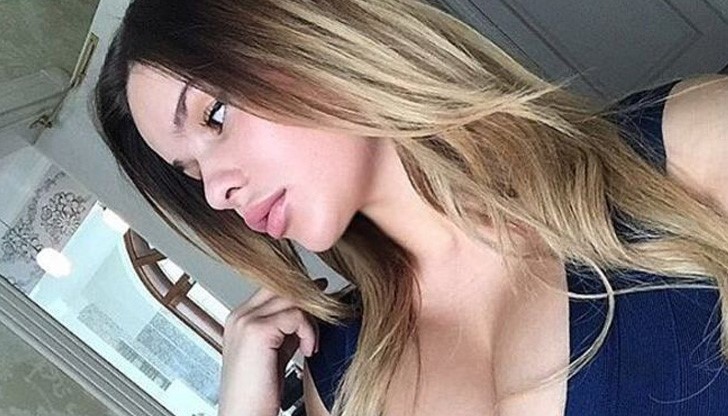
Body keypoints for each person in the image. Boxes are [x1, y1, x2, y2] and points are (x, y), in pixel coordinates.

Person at [92, 0, 728, 414]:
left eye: (214, 115)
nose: (214, 192)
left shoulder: (686, 152)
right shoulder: (340, 377)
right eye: (191, 171)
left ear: (304, 38)